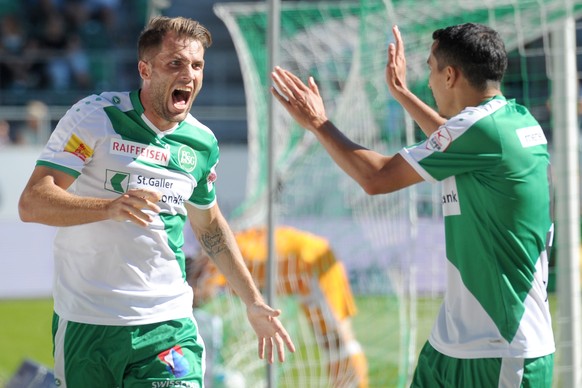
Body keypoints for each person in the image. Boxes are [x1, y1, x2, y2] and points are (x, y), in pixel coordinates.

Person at [271, 23, 554, 387]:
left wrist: (318, 123)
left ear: (450, 75)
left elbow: (376, 178)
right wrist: (402, 93)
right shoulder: (513, 119)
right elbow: (453, 138)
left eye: (430, 67)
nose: (429, 79)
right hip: (453, 343)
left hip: (501, 349)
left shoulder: (482, 131)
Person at [18, 15, 295, 388]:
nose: (189, 75)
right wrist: (109, 207)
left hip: (168, 323)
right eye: (175, 63)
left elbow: (210, 225)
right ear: (145, 69)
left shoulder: (200, 142)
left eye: (197, 65)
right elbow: (33, 202)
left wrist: (253, 301)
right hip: (88, 323)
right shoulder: (96, 118)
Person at [186, 225, 369, 387]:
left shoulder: (213, 264)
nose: (199, 301)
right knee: (332, 343)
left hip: (312, 263)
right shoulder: (220, 248)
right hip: (306, 265)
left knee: (338, 340)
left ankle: (359, 384)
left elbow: (197, 296)